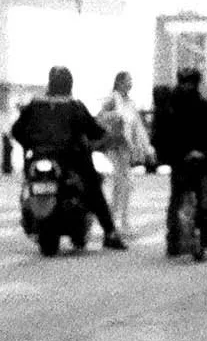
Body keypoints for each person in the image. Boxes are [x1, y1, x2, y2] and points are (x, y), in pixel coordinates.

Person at [9, 67, 125, 247]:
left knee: (27, 183)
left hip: (37, 158)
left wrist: (29, 146)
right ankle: (110, 233)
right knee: (93, 187)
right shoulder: (74, 106)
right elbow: (94, 131)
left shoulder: (35, 104)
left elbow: (16, 131)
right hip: (69, 160)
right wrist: (107, 137)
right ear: (69, 84)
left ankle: (32, 217)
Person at [155, 65, 207, 248]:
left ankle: (173, 238)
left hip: (177, 158)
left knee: (177, 194)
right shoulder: (201, 103)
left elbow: (162, 132)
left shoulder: (168, 103)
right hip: (200, 156)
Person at [98, 72, 150, 242]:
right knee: (122, 184)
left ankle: (118, 222)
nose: (130, 84)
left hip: (126, 147)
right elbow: (100, 117)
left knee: (125, 185)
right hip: (114, 145)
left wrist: (146, 146)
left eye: (131, 81)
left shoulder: (130, 102)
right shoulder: (112, 99)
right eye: (128, 81)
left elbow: (137, 126)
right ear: (119, 82)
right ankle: (116, 223)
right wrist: (115, 116)